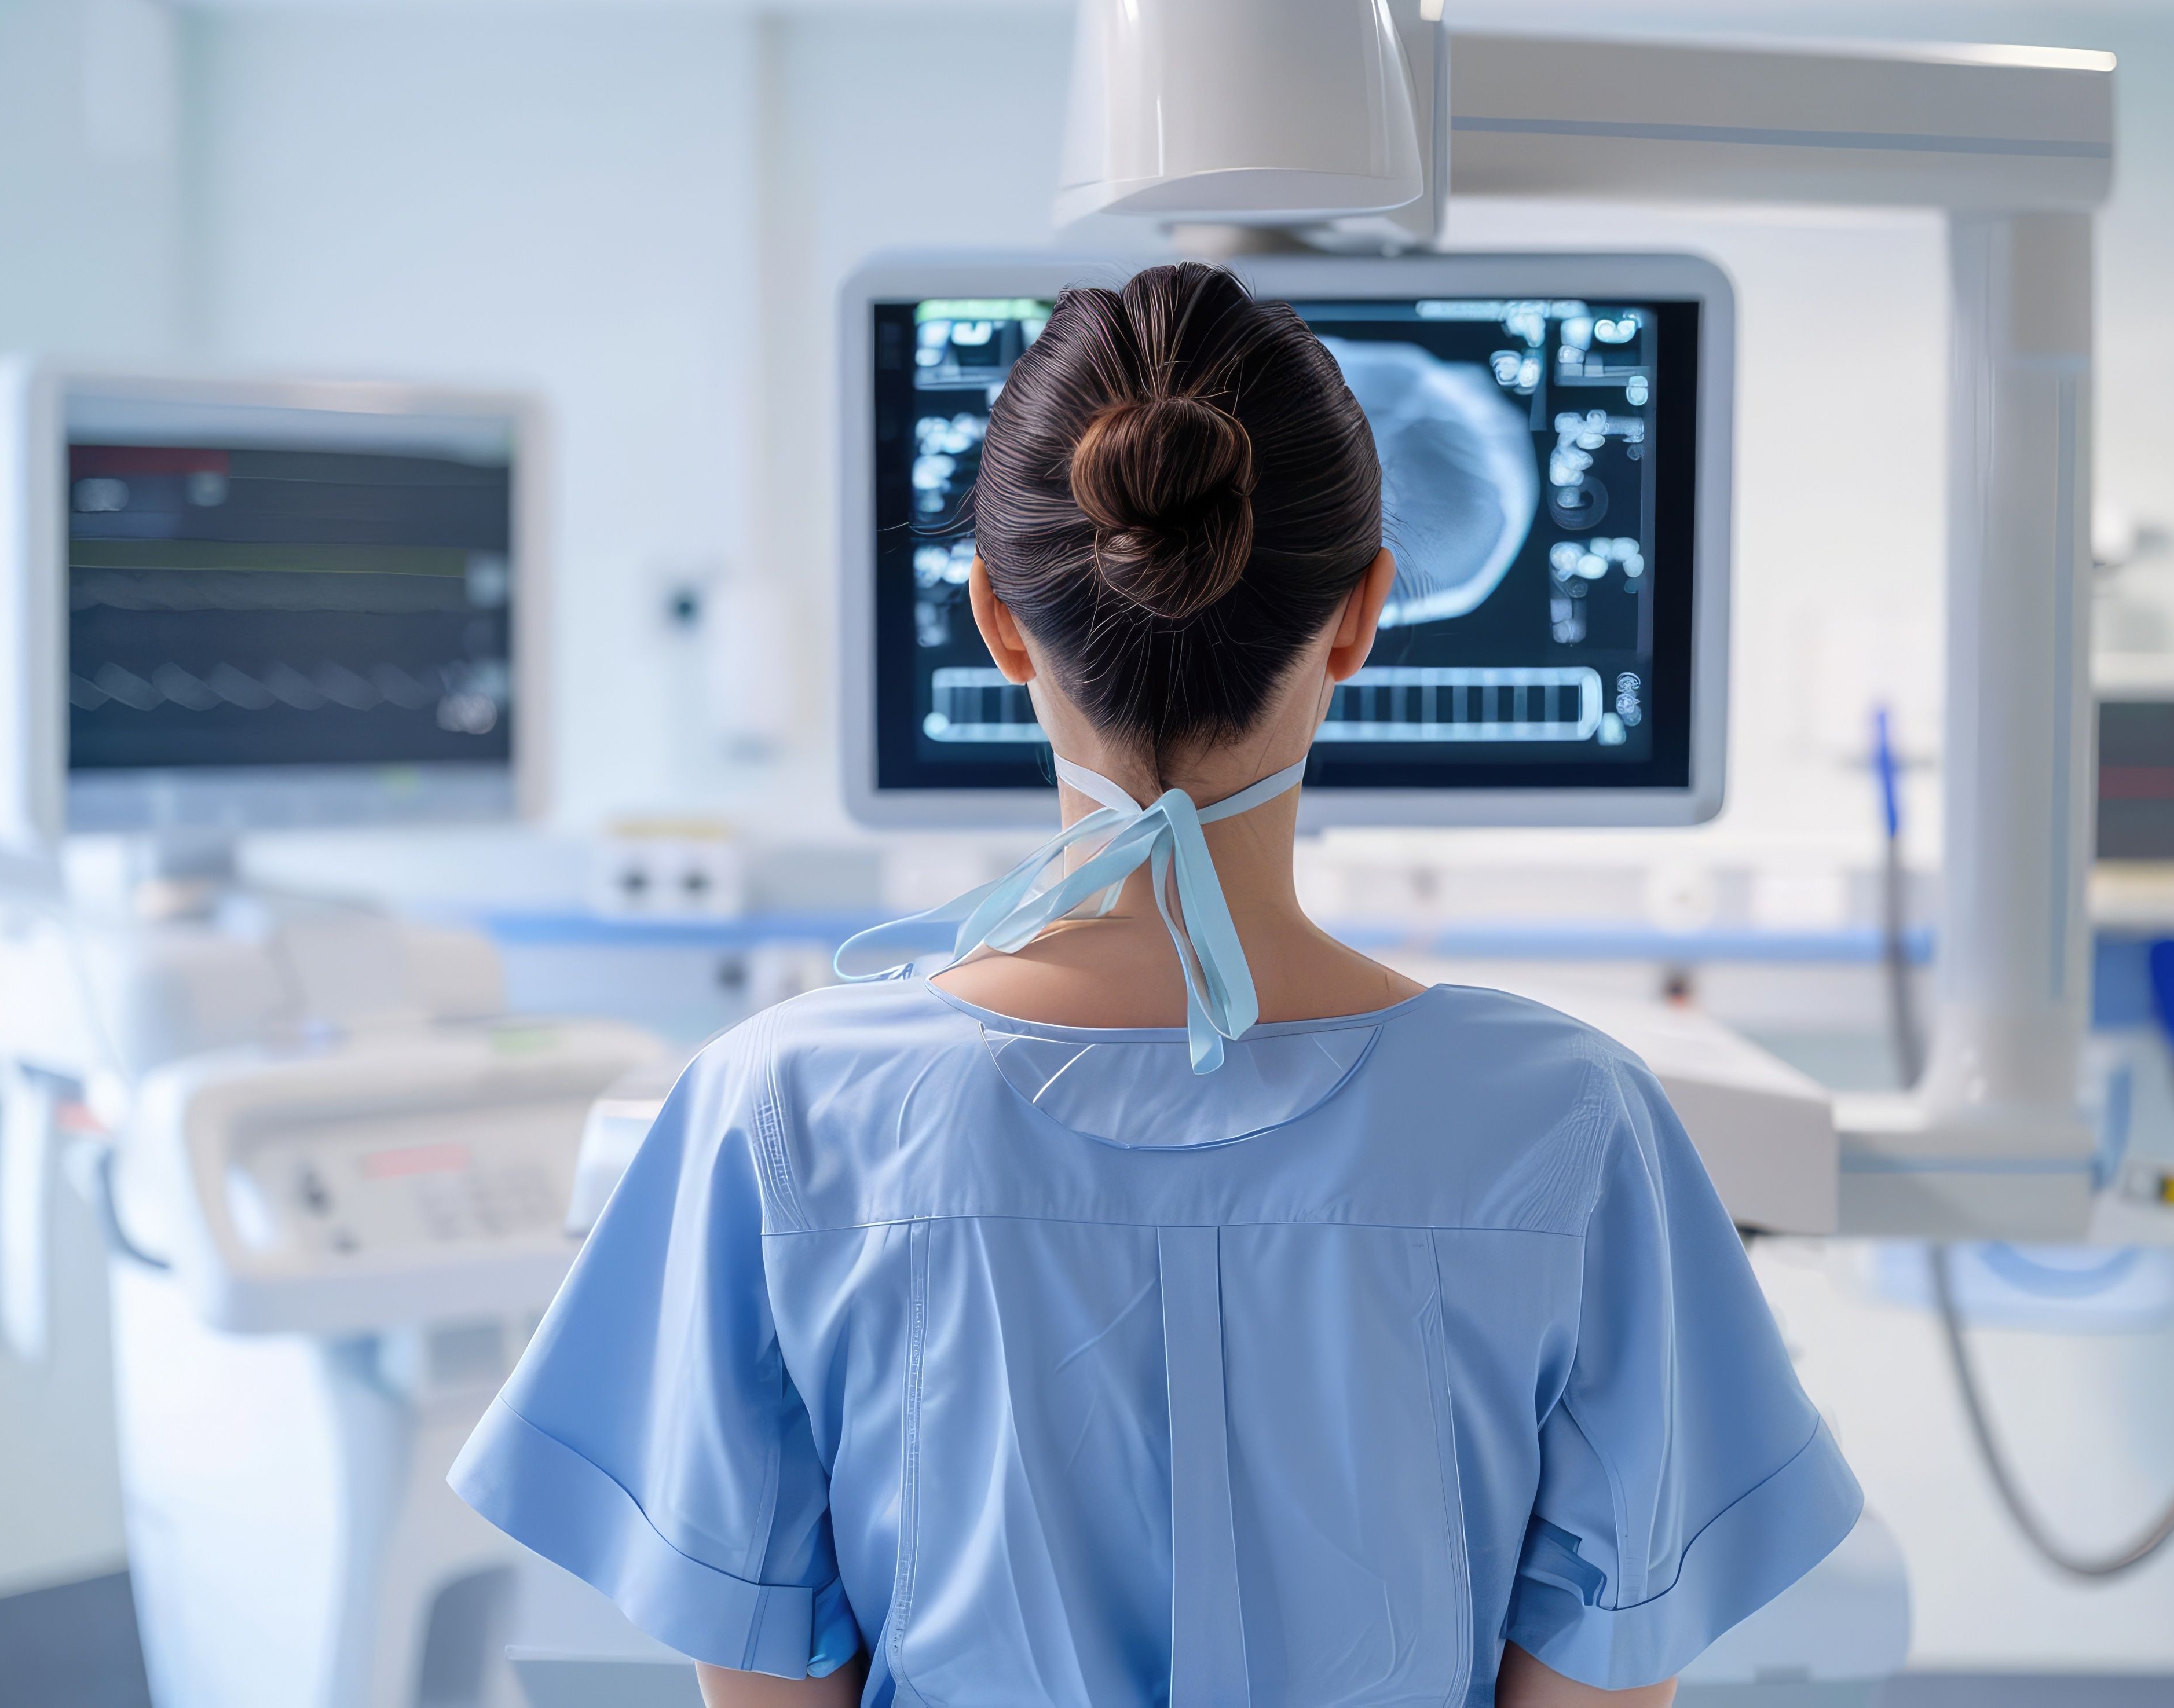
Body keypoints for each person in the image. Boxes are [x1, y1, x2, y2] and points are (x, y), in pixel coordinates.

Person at [452, 261, 1861, 1707]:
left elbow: (763, 1676)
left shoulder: (779, 1116)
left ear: (999, 623)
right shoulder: (1573, 1128)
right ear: (1365, 615)